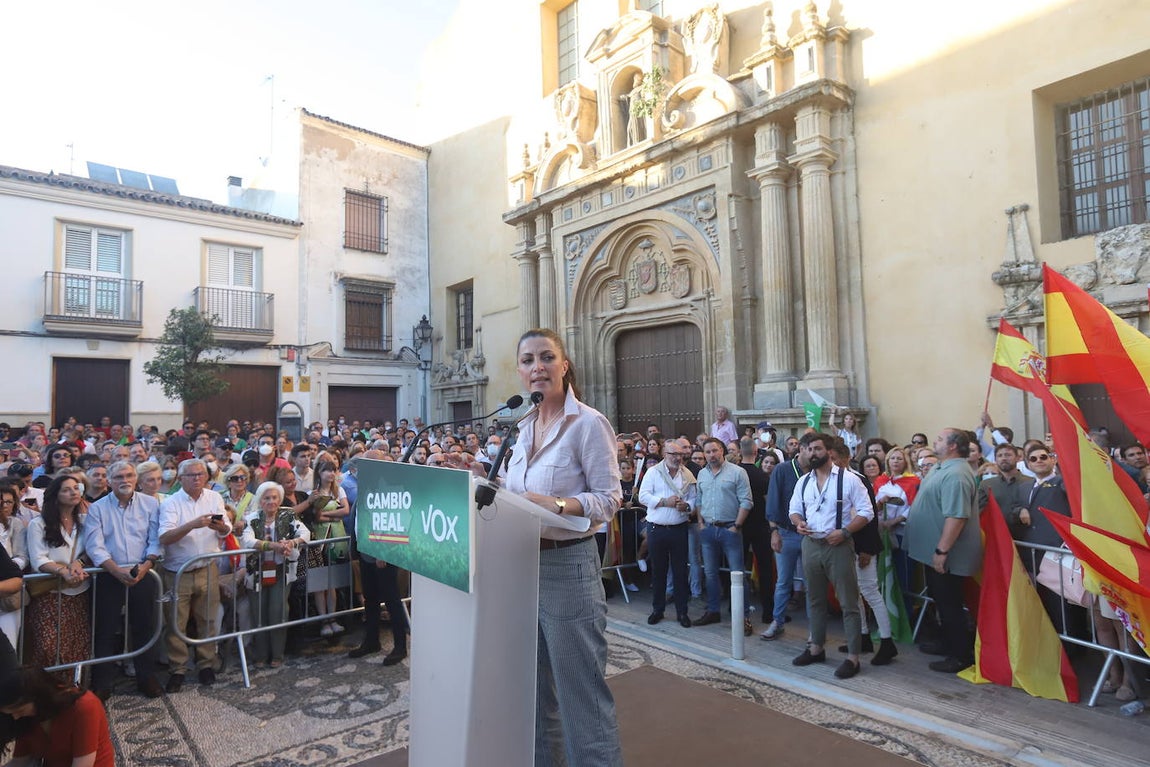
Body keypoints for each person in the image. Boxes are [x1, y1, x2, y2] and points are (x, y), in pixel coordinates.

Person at [500, 329, 622, 766]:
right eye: (528, 360)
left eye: (546, 357)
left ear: (564, 365)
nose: (537, 367)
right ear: (519, 371)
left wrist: (557, 503)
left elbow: (610, 499)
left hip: (567, 565)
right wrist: (478, 476)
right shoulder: (523, 426)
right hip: (519, 567)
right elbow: (515, 492)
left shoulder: (588, 423)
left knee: (580, 696)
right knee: (534, 692)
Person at [787, 433, 874, 679]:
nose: (812, 453)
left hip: (838, 545)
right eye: (808, 449)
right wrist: (798, 523)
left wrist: (845, 531)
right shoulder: (803, 481)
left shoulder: (849, 480)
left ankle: (853, 657)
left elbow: (867, 513)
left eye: (816, 448)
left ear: (828, 451)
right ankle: (816, 648)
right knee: (814, 599)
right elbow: (793, 509)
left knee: (848, 602)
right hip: (811, 544)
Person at [906, 428, 981, 673]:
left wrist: (941, 550)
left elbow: (957, 516)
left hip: (946, 555)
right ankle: (946, 642)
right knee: (941, 601)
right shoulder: (942, 467)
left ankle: (960, 655)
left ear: (951, 447)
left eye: (939, 439)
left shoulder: (957, 474)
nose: (935, 441)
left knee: (950, 604)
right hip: (933, 552)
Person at [158, 458, 232, 692]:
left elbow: (227, 527)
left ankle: (206, 663)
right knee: (176, 622)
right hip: (177, 570)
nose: (197, 478)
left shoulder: (215, 497)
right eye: (191, 475)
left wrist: (221, 528)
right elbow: (165, 537)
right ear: (180, 479)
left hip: (207, 567)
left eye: (201, 474)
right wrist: (192, 524)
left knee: (208, 619)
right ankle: (177, 668)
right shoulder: (171, 503)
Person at [346, 450, 409, 665]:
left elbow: (393, 520)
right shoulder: (365, 483)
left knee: (392, 600)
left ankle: (400, 646)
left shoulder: (390, 486)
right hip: (365, 552)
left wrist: (384, 551)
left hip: (382, 555)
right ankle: (371, 640)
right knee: (370, 599)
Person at [26, 475, 91, 675]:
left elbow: (91, 550)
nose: (73, 492)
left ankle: (73, 688)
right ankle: (48, 690)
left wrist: (78, 564)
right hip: (50, 593)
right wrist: (63, 571)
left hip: (78, 591)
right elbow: (39, 559)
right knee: (49, 645)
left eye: (75, 488)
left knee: (76, 644)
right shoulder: (38, 524)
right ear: (55, 496)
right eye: (66, 489)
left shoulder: (84, 520)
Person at [240, 481, 309, 668]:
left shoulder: (288, 514)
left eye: (274, 498)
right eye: (267, 498)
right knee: (259, 611)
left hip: (281, 570)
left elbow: (305, 533)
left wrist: (291, 543)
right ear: (260, 500)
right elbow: (248, 540)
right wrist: (272, 546)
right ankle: (261, 655)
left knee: (278, 611)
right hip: (257, 571)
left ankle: (277, 654)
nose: (271, 501)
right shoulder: (252, 518)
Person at [0, 666, 114, 767]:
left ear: (38, 698)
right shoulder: (25, 718)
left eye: (20, 710)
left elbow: (83, 764)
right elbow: (20, 762)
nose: (15, 716)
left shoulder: (84, 707)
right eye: (11, 713)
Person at [637, 437, 696, 628]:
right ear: (664, 454)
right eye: (673, 454)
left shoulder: (687, 475)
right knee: (658, 571)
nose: (677, 458)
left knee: (680, 572)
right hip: (657, 529)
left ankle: (682, 612)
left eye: (680, 454)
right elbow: (643, 496)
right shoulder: (653, 473)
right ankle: (658, 610)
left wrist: (686, 506)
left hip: (679, 529)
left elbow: (694, 500)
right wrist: (664, 502)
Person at [694, 438, 752, 629]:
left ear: (722, 451)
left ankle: (742, 617)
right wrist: (701, 522)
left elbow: (746, 501)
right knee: (710, 573)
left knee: (738, 574)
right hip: (708, 530)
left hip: (730, 529)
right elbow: (699, 499)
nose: (711, 455)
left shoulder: (738, 472)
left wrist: (736, 525)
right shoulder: (702, 474)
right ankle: (713, 611)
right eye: (707, 452)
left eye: (714, 450)